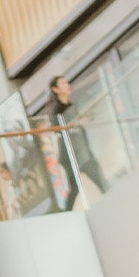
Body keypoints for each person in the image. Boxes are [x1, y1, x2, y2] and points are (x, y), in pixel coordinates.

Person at [45, 75, 109, 209]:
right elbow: (59, 130)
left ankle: (65, 213)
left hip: (82, 150)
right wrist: (77, 123)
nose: (67, 84)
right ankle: (111, 198)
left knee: (78, 186)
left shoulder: (70, 105)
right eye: (63, 83)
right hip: (72, 154)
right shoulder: (56, 110)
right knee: (90, 181)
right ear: (55, 89)